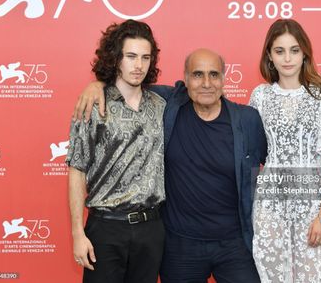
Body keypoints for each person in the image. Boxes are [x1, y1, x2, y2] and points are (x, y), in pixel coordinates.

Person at [73, 48, 267, 283]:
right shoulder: (168, 105)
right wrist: (98, 84)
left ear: (224, 79)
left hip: (234, 245)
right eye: (197, 75)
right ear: (185, 79)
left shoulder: (247, 120)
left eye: (214, 75)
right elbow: (129, 84)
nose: (206, 83)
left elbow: (273, 169)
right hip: (180, 247)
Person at [249, 19, 321, 282]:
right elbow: (251, 153)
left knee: (313, 275)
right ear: (269, 56)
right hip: (269, 204)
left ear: (305, 53)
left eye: (294, 50)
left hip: (311, 203)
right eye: (279, 51)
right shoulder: (260, 96)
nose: (287, 58)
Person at [66, 19, 166, 283]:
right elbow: (76, 169)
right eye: (131, 56)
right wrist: (78, 233)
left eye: (145, 57)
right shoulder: (92, 104)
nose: (139, 65)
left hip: (151, 228)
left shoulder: (160, 105)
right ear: (116, 58)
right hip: (107, 227)